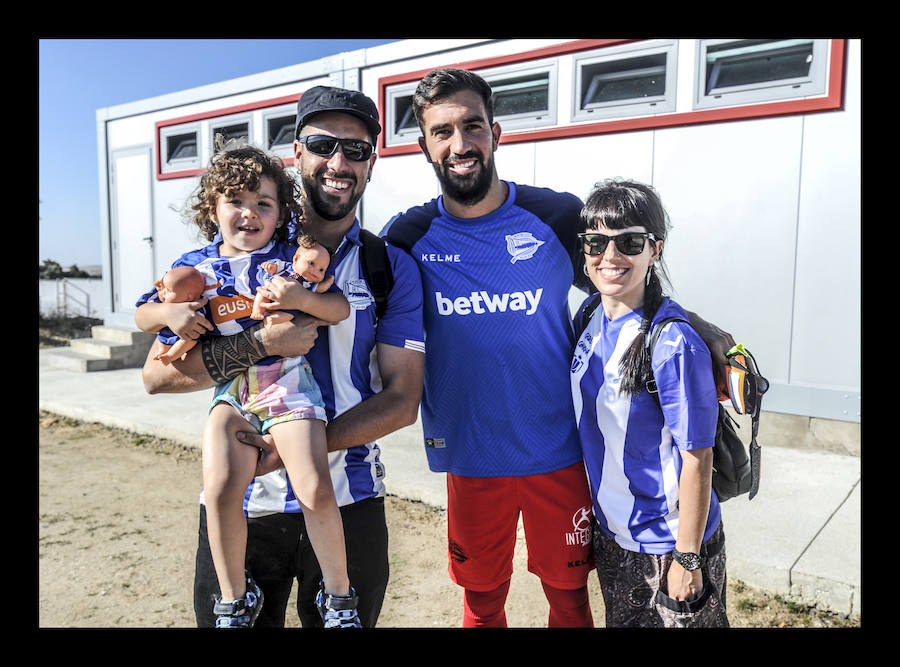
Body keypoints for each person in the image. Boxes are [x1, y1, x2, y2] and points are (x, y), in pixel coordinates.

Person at [382, 68, 735, 628]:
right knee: (482, 602)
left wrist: (700, 328)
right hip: (472, 458)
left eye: (472, 126)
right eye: (442, 131)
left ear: (496, 133)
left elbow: (624, 284)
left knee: (569, 598)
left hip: (561, 453)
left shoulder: (555, 216)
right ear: (424, 145)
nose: (460, 143)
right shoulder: (406, 237)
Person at [139, 86, 425, 629]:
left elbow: (402, 400)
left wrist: (290, 451)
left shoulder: (389, 267)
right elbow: (157, 377)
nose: (338, 162)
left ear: (372, 162)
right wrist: (260, 346)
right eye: (322, 144)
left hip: (347, 500)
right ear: (297, 153)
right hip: (244, 508)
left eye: (357, 149)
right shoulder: (230, 255)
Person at [570, 178, 729, 628]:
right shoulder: (589, 317)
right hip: (616, 538)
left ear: (655, 250)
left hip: (670, 547)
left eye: (630, 242)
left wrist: (688, 558)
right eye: (596, 242)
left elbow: (697, 457)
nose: (611, 256)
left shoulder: (673, 343)